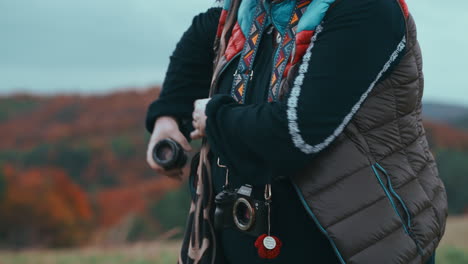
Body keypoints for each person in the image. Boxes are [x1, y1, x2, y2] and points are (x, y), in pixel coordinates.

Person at [146, 0, 448, 263]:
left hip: (352, 244)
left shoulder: (366, 9)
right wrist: (167, 117)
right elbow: (200, 38)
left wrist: (214, 118)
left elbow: (294, 133)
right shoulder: (250, 7)